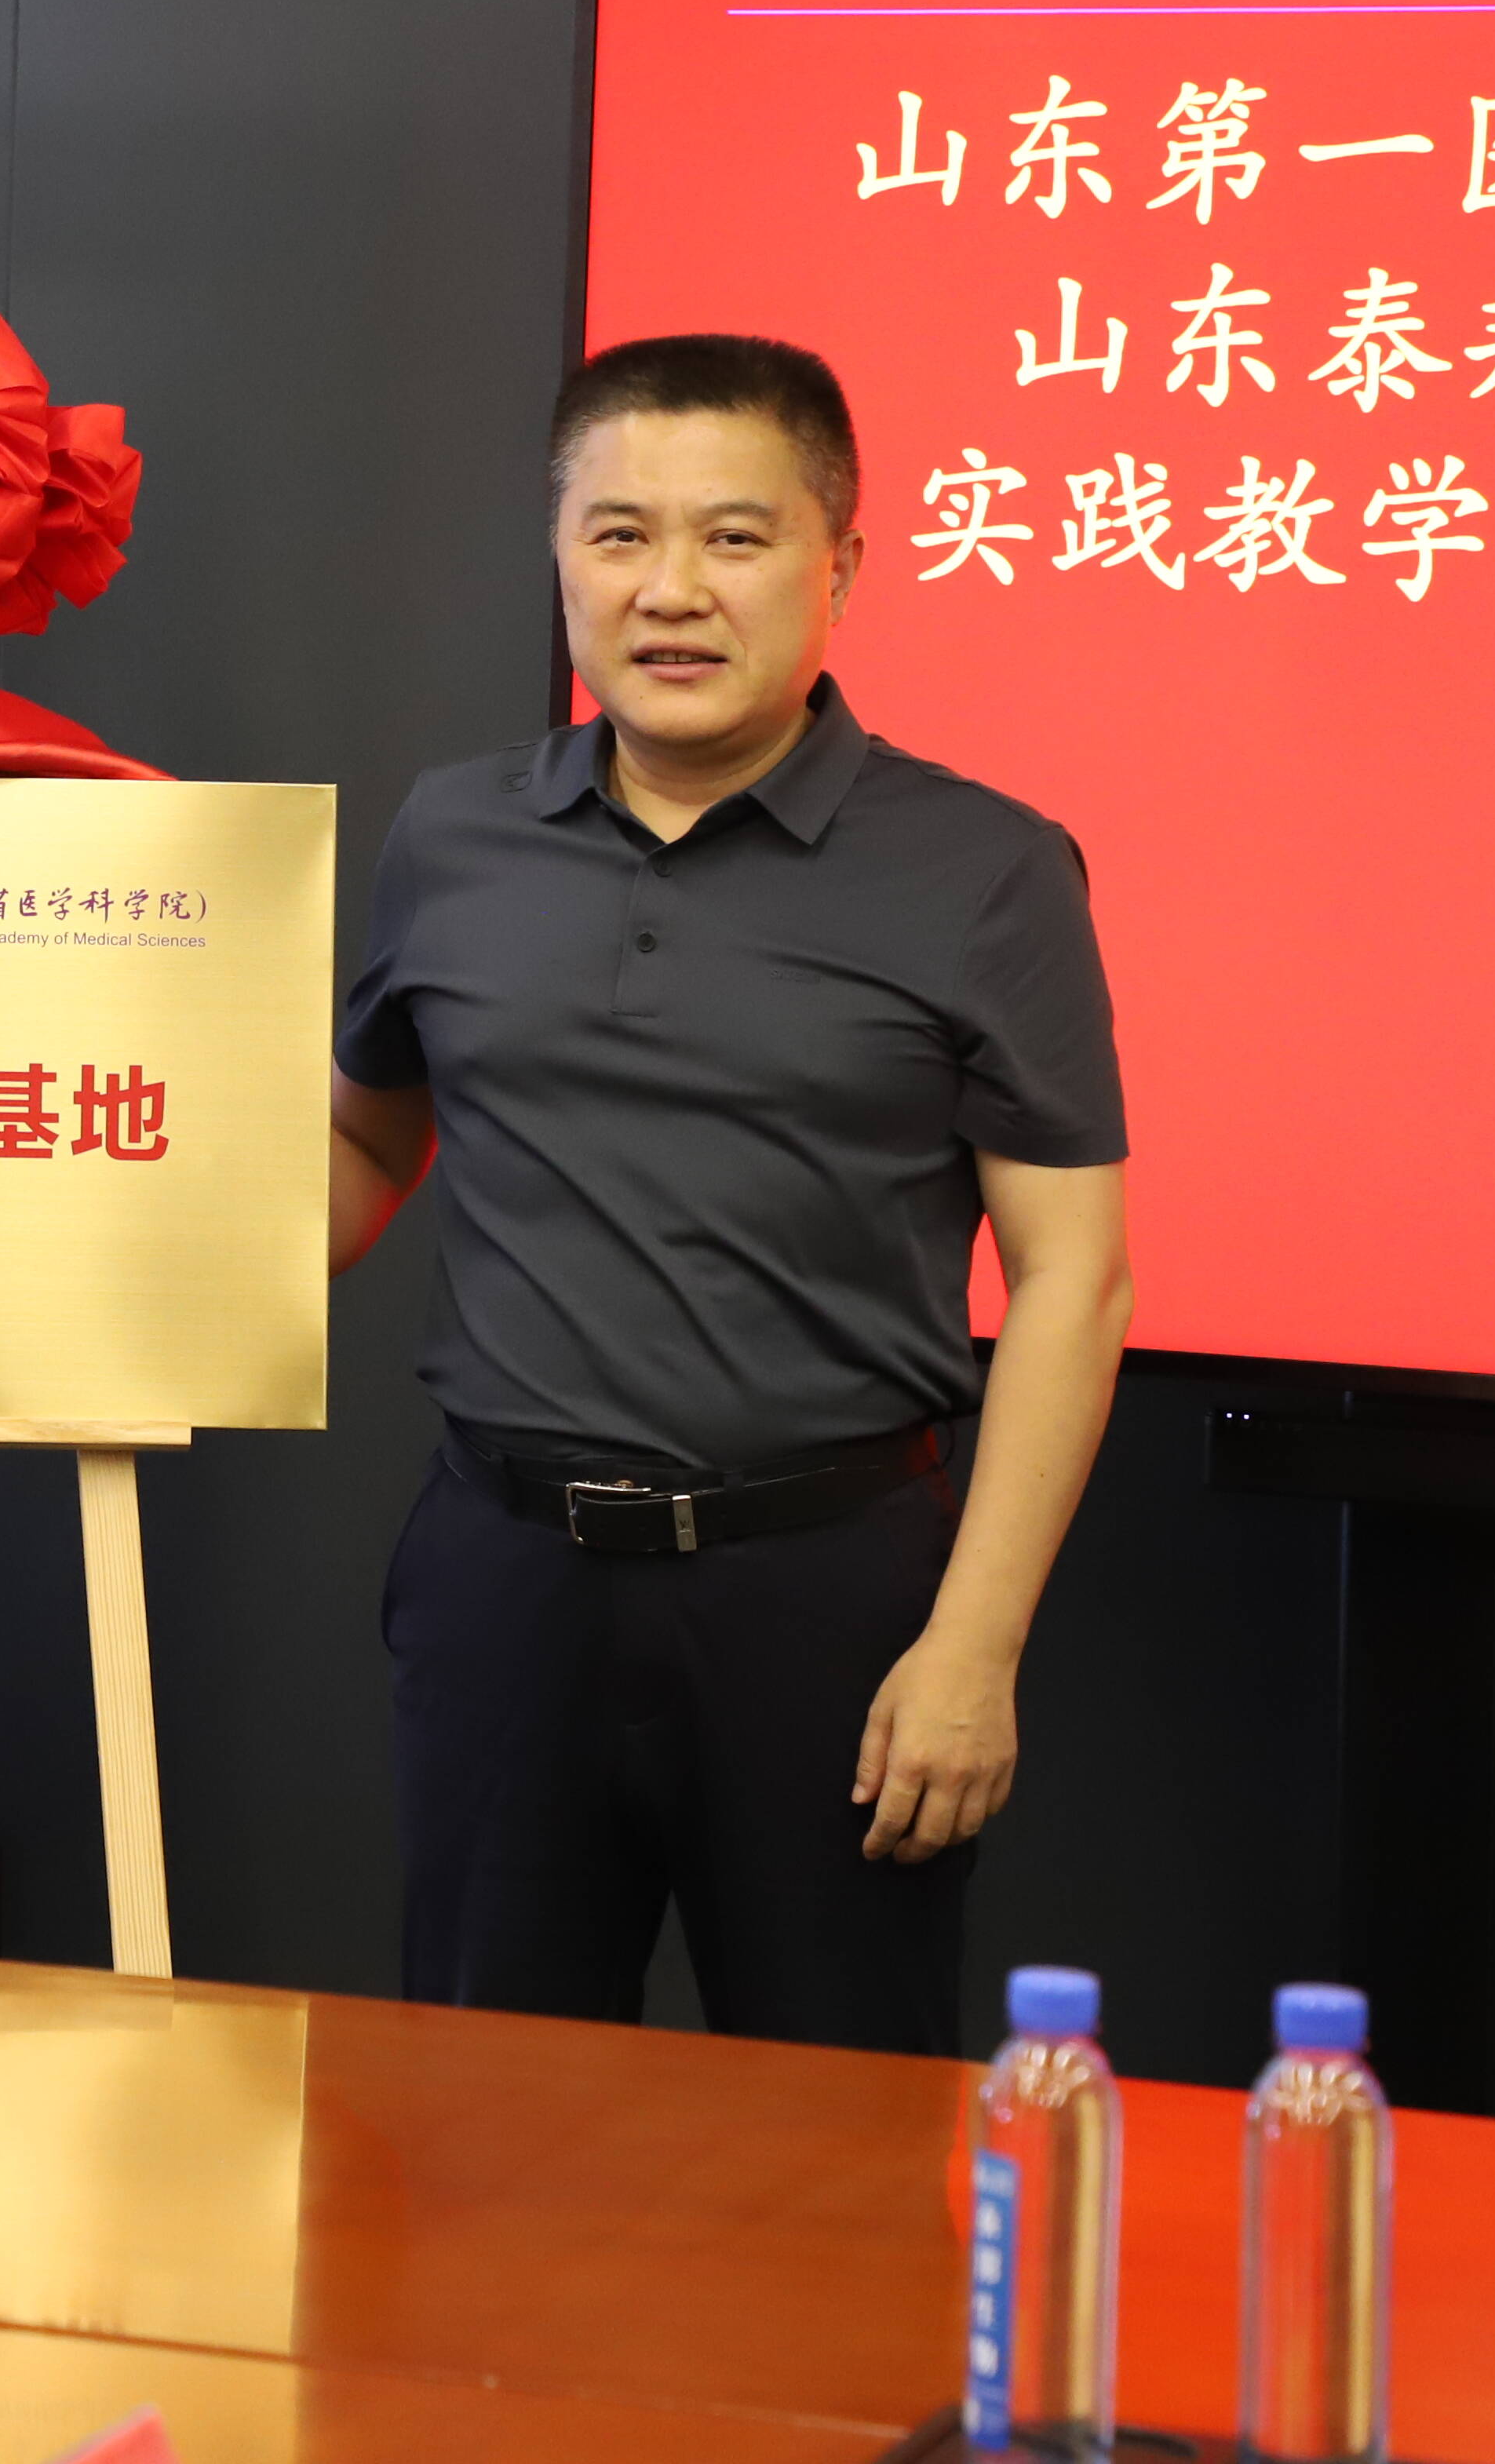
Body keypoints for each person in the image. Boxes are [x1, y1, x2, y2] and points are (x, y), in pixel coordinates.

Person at [328, 330, 1132, 2051]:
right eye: (618, 534)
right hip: (504, 1579)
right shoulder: (451, 835)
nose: (671, 589)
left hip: (827, 1594)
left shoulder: (986, 868)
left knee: (839, 2133)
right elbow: (364, 1144)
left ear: (842, 562)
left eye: (734, 537)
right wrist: (114, 1276)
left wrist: (974, 1646)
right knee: (482, 2115)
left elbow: (1075, 1277)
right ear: (561, 558)